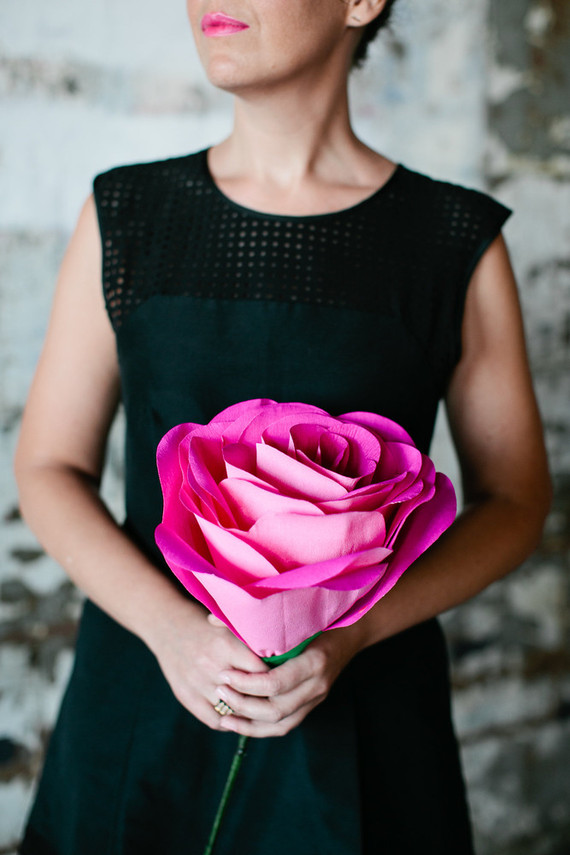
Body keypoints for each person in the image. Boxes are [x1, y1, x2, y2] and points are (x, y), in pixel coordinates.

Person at [15, 1, 551, 853]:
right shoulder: (128, 213)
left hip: (366, 713)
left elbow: (516, 500)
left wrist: (353, 633)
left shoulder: (453, 240)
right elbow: (47, 465)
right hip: (145, 700)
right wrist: (172, 632)